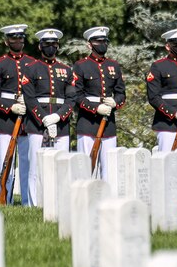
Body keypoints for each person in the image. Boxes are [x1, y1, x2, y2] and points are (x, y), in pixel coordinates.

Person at [21, 28, 75, 205]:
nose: (50, 48)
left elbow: (71, 98)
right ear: (40, 46)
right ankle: (34, 203)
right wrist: (44, 118)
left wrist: (58, 117)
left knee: (62, 165)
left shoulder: (66, 70)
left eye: (53, 45)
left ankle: (60, 203)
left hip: (61, 123)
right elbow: (29, 98)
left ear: (57, 47)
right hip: (37, 123)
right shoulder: (31, 69)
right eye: (47, 45)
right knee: (35, 167)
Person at [0, 24, 36, 205]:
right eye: (14, 38)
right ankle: (4, 198)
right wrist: (10, 107)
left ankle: (27, 201)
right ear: (6, 41)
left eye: (21, 38)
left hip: (27, 119)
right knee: (6, 162)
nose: (18, 41)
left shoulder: (32, 63)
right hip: (6, 120)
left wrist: (28, 103)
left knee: (26, 163)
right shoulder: (0, 64)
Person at [71, 26, 125, 178]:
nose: (102, 44)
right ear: (90, 45)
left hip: (109, 123)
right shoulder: (81, 65)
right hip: (87, 123)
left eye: (105, 41)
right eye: (98, 41)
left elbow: (121, 93)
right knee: (86, 170)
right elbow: (77, 95)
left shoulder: (113, 66)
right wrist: (96, 108)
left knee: (109, 169)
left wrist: (115, 102)